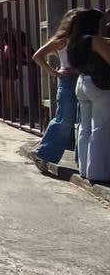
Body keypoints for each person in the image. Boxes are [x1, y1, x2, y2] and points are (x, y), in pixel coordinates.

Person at [31, 11, 83, 167]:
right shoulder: (61, 40)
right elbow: (37, 56)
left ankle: (82, 160)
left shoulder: (86, 38)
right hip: (67, 81)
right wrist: (54, 73)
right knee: (65, 119)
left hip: (82, 79)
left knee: (81, 120)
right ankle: (43, 153)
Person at [67, 9, 110, 182]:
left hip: (82, 82)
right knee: (100, 128)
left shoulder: (74, 41)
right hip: (99, 85)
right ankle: (98, 172)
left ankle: (84, 169)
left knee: (84, 128)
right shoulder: (94, 39)